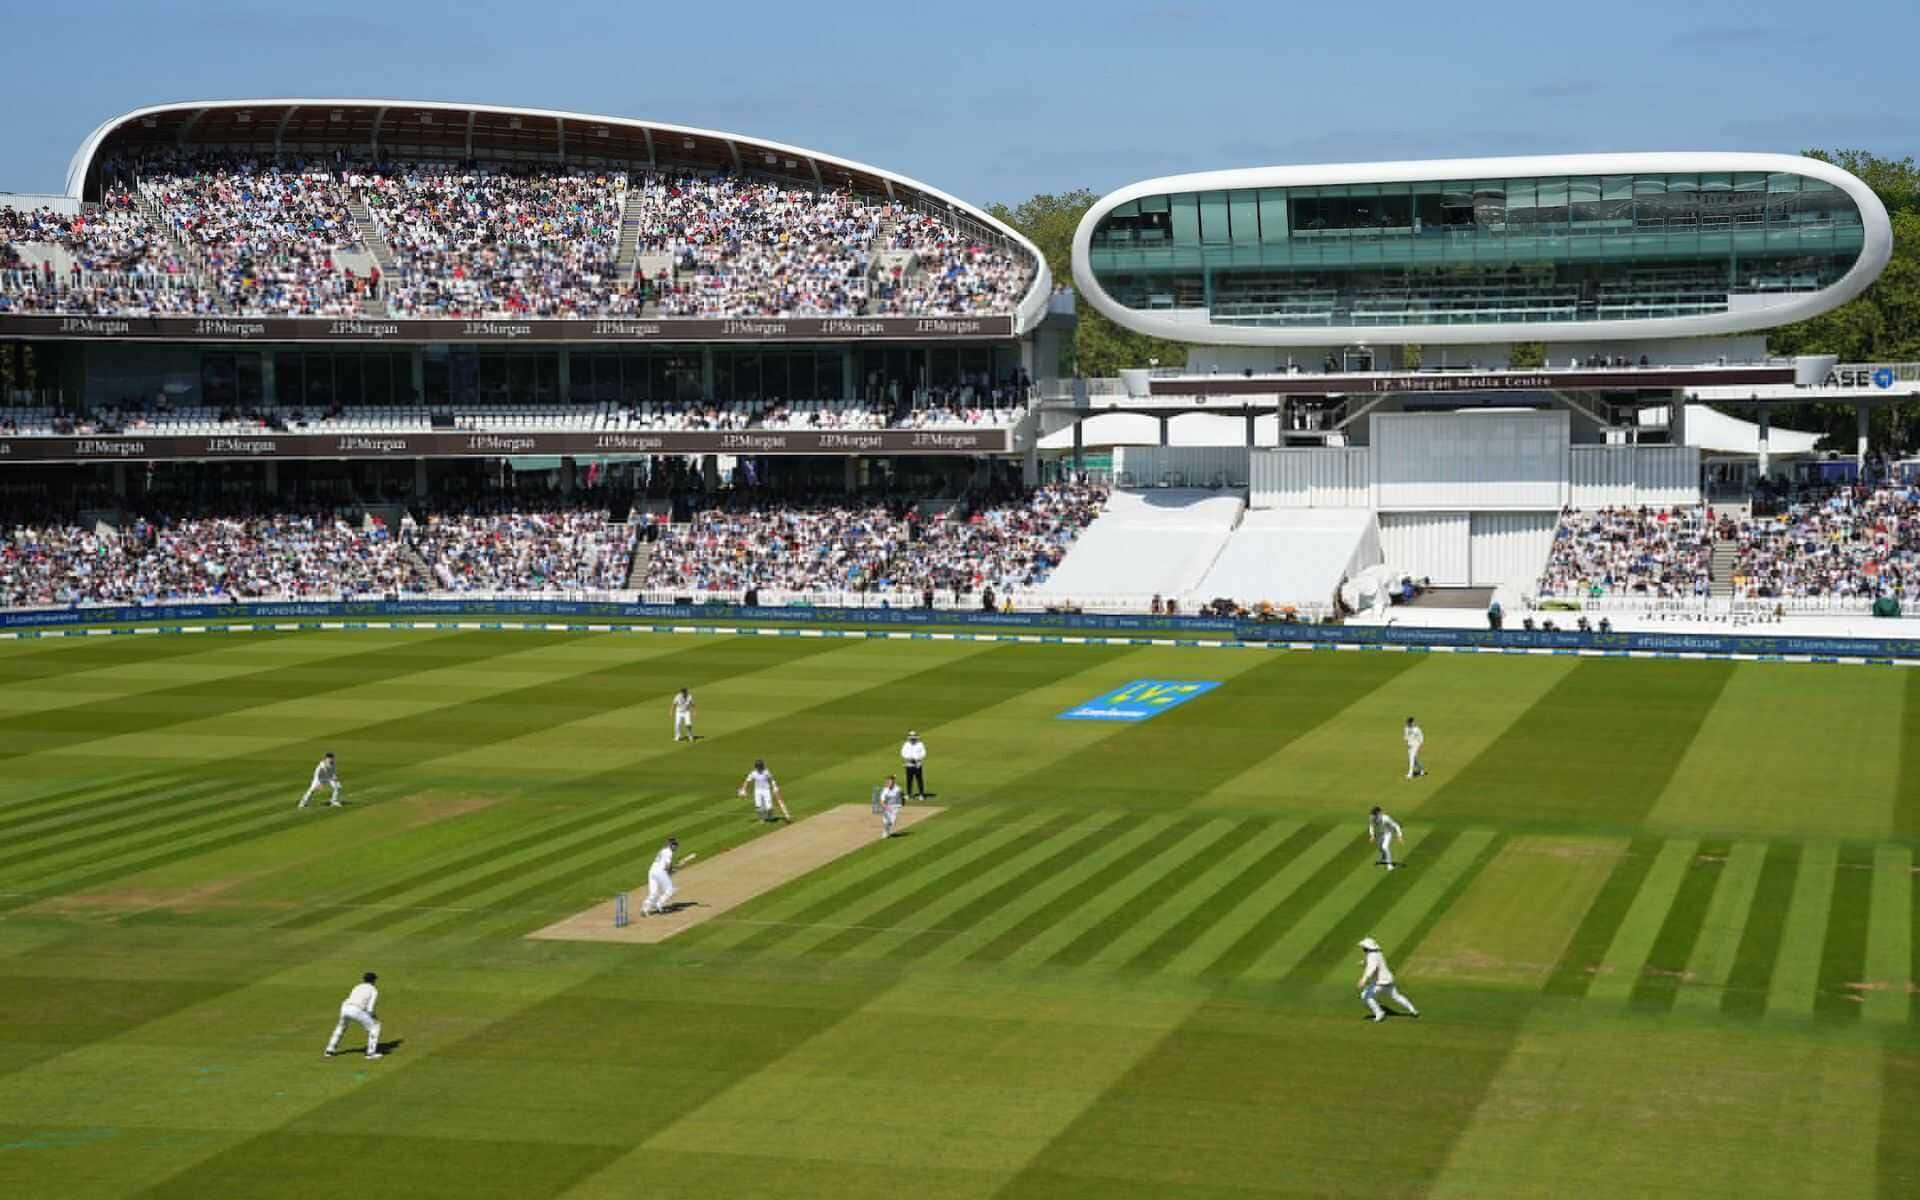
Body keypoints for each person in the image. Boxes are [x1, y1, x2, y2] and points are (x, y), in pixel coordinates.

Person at [324, 971, 384, 1059]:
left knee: (341, 1027)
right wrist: (373, 1016)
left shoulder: (357, 986)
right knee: (375, 1027)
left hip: (345, 1008)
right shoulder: (374, 990)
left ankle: (329, 1050)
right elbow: (370, 1008)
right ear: (373, 981)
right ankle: (370, 1053)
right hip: (356, 1010)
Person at [1357, 937, 1419, 1022]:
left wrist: (1363, 980)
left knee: (1365, 996)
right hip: (1388, 980)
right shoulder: (1377, 953)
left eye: (1363, 947)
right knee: (1396, 996)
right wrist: (1364, 962)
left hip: (1380, 983)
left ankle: (1379, 1013)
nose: (1363, 948)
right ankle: (1413, 1010)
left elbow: (1371, 968)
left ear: (1367, 948)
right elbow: (1372, 961)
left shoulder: (1372, 956)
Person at [641, 836, 679, 916]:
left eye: (676, 844)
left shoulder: (662, 850)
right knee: (670, 890)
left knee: (653, 893)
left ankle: (645, 909)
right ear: (670, 845)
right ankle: (659, 904)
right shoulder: (669, 852)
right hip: (659, 872)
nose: (676, 846)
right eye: (674, 844)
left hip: (651, 871)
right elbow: (667, 867)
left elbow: (665, 865)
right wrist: (672, 870)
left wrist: (671, 870)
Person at [1368, 805, 1404, 870]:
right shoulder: (1372, 818)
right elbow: (1371, 826)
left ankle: (1389, 865)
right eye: (1373, 814)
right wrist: (1372, 835)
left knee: (1385, 847)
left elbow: (1396, 826)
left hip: (1388, 834)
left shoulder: (1386, 818)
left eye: (1375, 814)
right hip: (1380, 834)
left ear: (1379, 813)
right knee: (1380, 847)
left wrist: (1399, 836)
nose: (1373, 816)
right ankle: (1383, 858)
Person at [900, 731, 928, 799]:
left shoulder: (920, 744)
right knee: (909, 780)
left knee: (919, 780)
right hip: (909, 764)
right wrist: (909, 758)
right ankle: (908, 794)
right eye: (911, 738)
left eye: (913, 738)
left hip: (917, 764)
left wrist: (917, 758)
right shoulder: (906, 744)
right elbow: (902, 752)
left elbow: (924, 753)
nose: (912, 739)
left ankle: (921, 794)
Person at [877, 774, 904, 839]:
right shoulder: (885, 790)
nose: (889, 783)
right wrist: (885, 807)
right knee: (886, 821)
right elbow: (882, 800)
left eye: (890, 782)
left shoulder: (898, 789)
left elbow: (902, 796)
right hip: (887, 807)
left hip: (895, 807)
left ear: (893, 782)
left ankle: (887, 832)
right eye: (888, 782)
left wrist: (902, 803)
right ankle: (885, 833)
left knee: (892, 821)